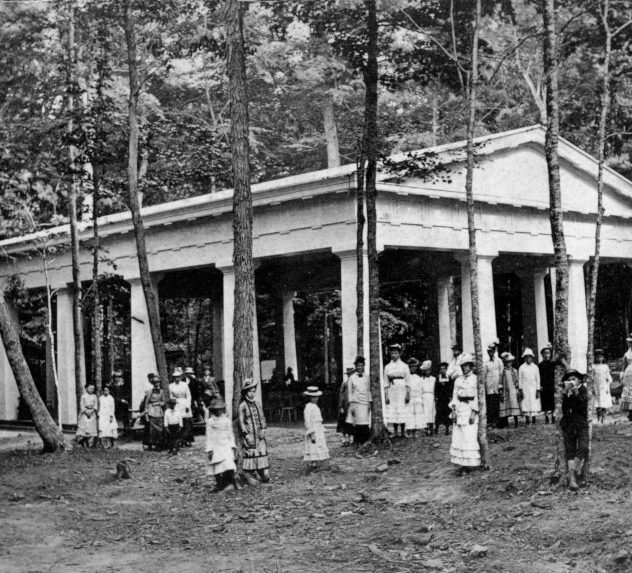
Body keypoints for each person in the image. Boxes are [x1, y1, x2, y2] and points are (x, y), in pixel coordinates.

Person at [449, 353, 480, 473]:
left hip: (470, 408)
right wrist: (454, 411)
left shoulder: (475, 379)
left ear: (471, 366)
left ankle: (471, 464)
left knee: (469, 435)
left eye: (467, 365)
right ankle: (462, 464)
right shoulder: (458, 380)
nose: (464, 368)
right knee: (459, 435)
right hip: (460, 408)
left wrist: (474, 412)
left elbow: (477, 396)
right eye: (462, 365)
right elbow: (454, 396)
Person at [203, 393, 239, 492]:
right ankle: (219, 484)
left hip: (226, 445)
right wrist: (209, 449)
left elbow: (230, 434)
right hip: (216, 446)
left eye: (220, 408)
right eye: (216, 409)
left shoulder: (227, 420)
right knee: (216, 466)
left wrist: (233, 446)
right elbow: (209, 436)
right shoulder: (210, 421)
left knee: (229, 464)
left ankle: (231, 482)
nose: (218, 411)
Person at [561, 369, 589, 490]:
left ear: (579, 380)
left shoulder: (583, 390)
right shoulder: (567, 392)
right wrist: (567, 395)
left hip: (581, 423)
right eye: (569, 379)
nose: (571, 381)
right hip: (569, 423)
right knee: (570, 450)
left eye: (574, 379)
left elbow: (583, 407)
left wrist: (576, 393)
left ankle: (570, 473)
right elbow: (564, 409)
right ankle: (572, 478)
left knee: (583, 447)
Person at [238, 379, 270, 483]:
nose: (252, 393)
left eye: (253, 391)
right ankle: (249, 474)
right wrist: (246, 435)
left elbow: (262, 417)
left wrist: (264, 429)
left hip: (259, 437)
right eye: (250, 391)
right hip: (250, 437)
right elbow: (241, 422)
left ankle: (262, 474)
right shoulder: (242, 405)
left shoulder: (257, 403)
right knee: (250, 459)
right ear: (246, 392)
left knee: (266, 474)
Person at [383, 343, 410, 438]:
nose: (393, 355)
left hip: (402, 389)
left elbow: (408, 381)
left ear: (399, 354)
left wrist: (407, 394)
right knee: (394, 408)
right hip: (392, 389)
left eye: (395, 353)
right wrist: (386, 395)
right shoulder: (387, 367)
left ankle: (403, 431)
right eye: (392, 353)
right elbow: (385, 382)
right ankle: (395, 431)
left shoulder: (404, 366)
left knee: (402, 408)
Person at [347, 356, 372, 445]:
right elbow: (350, 392)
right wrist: (351, 404)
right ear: (356, 366)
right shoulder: (352, 378)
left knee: (364, 422)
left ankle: (364, 441)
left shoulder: (367, 377)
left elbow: (369, 390)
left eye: (361, 365)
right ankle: (356, 442)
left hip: (365, 402)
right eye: (358, 365)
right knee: (356, 422)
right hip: (356, 402)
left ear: (364, 366)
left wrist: (369, 401)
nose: (360, 367)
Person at [303, 386, 330, 468]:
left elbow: (318, 419)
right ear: (309, 398)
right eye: (313, 397)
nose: (315, 399)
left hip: (318, 429)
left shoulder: (316, 406)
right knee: (312, 445)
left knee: (318, 444)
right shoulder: (308, 407)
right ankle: (313, 463)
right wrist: (311, 433)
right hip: (313, 429)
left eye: (316, 397)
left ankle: (316, 462)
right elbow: (307, 421)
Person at [169, 367, 194, 446]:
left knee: (186, 423)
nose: (177, 378)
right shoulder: (171, 386)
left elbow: (189, 396)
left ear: (181, 377)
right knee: (178, 422)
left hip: (184, 403)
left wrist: (188, 405)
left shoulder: (185, 385)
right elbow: (170, 396)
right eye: (176, 377)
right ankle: (179, 440)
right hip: (176, 404)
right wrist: (173, 402)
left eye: (178, 377)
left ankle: (187, 440)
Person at [519, 348, 542, 425]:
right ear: (524, 358)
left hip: (533, 388)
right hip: (525, 388)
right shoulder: (521, 367)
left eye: (530, 357)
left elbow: (538, 379)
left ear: (532, 358)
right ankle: (527, 420)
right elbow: (520, 380)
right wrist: (521, 390)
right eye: (527, 357)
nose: (528, 359)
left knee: (534, 403)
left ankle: (534, 420)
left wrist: (537, 390)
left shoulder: (535, 367)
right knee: (526, 403)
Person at [499, 352, 521, 428]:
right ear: (505, 363)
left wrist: (518, 389)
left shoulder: (514, 371)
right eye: (507, 362)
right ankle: (507, 423)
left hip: (513, 390)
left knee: (514, 404)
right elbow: (500, 382)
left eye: (510, 362)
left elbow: (517, 381)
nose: (509, 364)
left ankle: (516, 422)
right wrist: (501, 392)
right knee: (506, 406)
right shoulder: (502, 372)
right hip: (506, 391)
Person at [484, 343, 503, 428]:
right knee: (490, 404)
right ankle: (490, 421)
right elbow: (484, 375)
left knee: (497, 404)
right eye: (489, 351)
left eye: (492, 351)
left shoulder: (499, 361)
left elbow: (501, 373)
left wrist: (500, 385)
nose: (490, 353)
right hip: (489, 386)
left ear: (494, 351)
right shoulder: (486, 363)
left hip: (497, 385)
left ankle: (497, 421)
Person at [143, 376, 165, 450]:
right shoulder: (150, 391)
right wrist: (146, 412)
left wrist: (158, 404)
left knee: (160, 427)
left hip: (158, 409)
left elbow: (163, 402)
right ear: (153, 383)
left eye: (158, 382)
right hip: (151, 409)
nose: (156, 384)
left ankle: (159, 444)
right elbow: (146, 402)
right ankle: (152, 444)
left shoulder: (161, 391)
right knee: (152, 428)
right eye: (155, 382)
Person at [405, 358, 424, 438]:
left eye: (414, 367)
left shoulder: (418, 377)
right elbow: (406, 387)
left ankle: (416, 431)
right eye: (411, 367)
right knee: (409, 414)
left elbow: (420, 388)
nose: (413, 368)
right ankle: (409, 430)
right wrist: (407, 395)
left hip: (417, 397)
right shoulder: (406, 377)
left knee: (418, 414)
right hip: (410, 397)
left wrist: (420, 397)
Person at [593, 349, 613, 423]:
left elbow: (608, 377)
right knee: (598, 402)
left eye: (601, 357)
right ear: (595, 358)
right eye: (597, 357)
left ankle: (603, 419)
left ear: (603, 358)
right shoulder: (593, 366)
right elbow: (592, 377)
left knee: (604, 402)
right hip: (596, 386)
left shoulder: (605, 366)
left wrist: (608, 386)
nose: (599, 359)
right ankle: (598, 418)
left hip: (604, 386)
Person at [76, 384, 99, 448]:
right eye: (90, 388)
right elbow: (81, 405)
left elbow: (96, 405)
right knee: (84, 427)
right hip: (84, 413)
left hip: (92, 412)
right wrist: (86, 412)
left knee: (91, 428)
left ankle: (91, 444)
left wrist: (92, 411)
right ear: (86, 388)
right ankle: (83, 442)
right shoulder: (83, 396)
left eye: (93, 389)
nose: (91, 390)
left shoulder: (94, 396)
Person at [539, 344, 556, 424]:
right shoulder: (540, 365)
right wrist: (540, 385)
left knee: (552, 401)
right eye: (545, 353)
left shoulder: (553, 364)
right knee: (545, 401)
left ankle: (553, 416)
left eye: (548, 353)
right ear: (542, 355)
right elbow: (539, 376)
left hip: (552, 385)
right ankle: (546, 417)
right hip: (544, 385)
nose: (546, 355)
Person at [435, 362, 453, 435]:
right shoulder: (437, 378)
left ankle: (447, 429)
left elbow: (452, 388)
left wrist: (451, 397)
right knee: (439, 413)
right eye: (441, 369)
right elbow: (436, 388)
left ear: (446, 369)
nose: (442, 370)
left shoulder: (449, 378)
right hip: (440, 399)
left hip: (446, 399)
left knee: (447, 413)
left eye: (444, 369)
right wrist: (436, 397)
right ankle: (436, 429)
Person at [337, 367, 354, 445]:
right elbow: (341, 394)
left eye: (351, 374)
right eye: (349, 374)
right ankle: (343, 438)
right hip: (344, 405)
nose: (350, 375)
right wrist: (340, 406)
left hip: (352, 405)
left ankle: (350, 438)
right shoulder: (344, 383)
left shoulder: (355, 383)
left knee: (350, 422)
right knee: (342, 422)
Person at [420, 360, 436, 436]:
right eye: (426, 370)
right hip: (424, 396)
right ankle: (426, 429)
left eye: (429, 370)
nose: (427, 372)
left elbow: (435, 389)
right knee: (425, 412)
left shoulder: (434, 379)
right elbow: (420, 389)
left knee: (431, 412)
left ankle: (431, 428)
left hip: (431, 396)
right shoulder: (421, 379)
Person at [620, 336, 632, 421]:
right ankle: (631, 413)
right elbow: (624, 365)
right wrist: (622, 374)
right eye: (629, 342)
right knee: (629, 392)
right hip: (629, 374)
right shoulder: (627, 354)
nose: (630, 344)